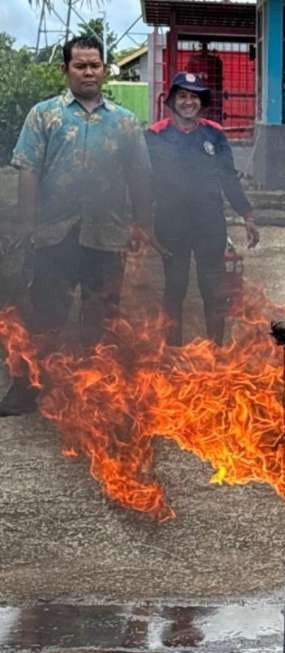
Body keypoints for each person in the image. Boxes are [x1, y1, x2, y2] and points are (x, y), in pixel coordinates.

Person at [0, 35, 154, 417]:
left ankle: (96, 393)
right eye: (80, 65)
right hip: (54, 235)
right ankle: (27, 390)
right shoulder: (44, 115)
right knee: (44, 317)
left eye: (94, 65)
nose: (88, 72)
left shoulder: (124, 122)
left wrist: (143, 224)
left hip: (107, 236)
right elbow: (28, 170)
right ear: (65, 69)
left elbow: (140, 178)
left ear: (105, 69)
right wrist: (27, 224)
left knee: (102, 320)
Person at [145, 72, 259, 346]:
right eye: (182, 96)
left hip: (209, 224)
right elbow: (143, 181)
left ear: (202, 102)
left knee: (212, 288)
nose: (189, 102)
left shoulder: (214, 134)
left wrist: (247, 215)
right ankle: (172, 349)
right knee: (175, 287)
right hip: (171, 224)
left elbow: (228, 177)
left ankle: (215, 350)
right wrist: (141, 222)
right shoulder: (154, 135)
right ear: (172, 101)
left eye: (194, 96)